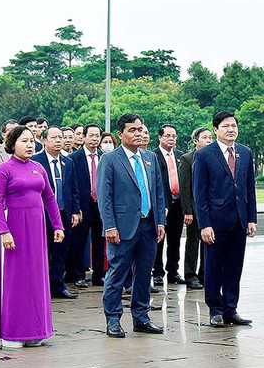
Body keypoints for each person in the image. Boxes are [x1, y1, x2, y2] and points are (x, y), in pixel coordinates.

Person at [0, 126, 65, 349]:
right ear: (12, 144)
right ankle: (12, 333)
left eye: (32, 141)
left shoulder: (38, 168)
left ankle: (36, 330)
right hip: (14, 228)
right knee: (15, 280)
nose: (30, 145)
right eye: (24, 141)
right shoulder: (4, 170)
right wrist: (4, 231)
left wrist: (58, 226)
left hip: (37, 229)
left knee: (36, 278)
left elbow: (50, 199)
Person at [97, 113, 167, 338]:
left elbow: (157, 192)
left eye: (140, 129)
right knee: (117, 273)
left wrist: (161, 222)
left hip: (149, 225)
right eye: (132, 130)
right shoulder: (110, 159)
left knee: (144, 273)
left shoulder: (150, 158)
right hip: (122, 226)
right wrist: (109, 226)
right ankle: (113, 319)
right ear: (120, 134)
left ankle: (141, 317)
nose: (138, 134)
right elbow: (104, 195)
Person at [193, 111, 256, 328]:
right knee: (213, 267)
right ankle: (215, 309)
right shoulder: (204, 155)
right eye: (226, 126)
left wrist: (251, 218)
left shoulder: (245, 153)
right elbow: (199, 193)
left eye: (234, 126)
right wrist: (205, 224)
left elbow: (250, 188)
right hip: (215, 222)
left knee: (234, 266)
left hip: (239, 220)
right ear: (216, 129)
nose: (231, 129)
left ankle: (231, 308)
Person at [32, 126, 81, 299]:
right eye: (54, 138)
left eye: (60, 137)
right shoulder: (35, 161)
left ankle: (58, 285)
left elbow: (74, 188)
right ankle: (40, 287)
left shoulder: (68, 162)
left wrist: (75, 210)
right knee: (43, 252)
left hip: (63, 213)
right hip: (42, 214)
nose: (59, 141)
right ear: (44, 141)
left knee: (61, 251)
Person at [68, 123, 104, 287]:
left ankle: (99, 275)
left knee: (100, 241)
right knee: (79, 241)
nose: (94, 139)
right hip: (83, 205)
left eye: (97, 136)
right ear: (84, 137)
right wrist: (76, 208)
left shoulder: (104, 157)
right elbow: (72, 186)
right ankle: (78, 275)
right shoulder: (74, 158)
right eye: (91, 135)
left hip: (100, 205)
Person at [178, 127, 211, 290]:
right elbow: (184, 188)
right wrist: (188, 211)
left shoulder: (214, 157)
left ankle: (205, 274)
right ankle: (190, 275)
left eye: (210, 137)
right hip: (195, 209)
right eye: (205, 137)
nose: (209, 140)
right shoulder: (187, 159)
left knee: (209, 243)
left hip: (211, 209)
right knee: (193, 243)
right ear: (195, 141)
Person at [153, 124, 185, 286]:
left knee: (175, 239)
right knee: (159, 238)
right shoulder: (153, 156)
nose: (171, 139)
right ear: (160, 137)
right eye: (168, 136)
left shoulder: (181, 156)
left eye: (174, 136)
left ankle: (173, 271)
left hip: (178, 204)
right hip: (162, 205)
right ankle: (157, 272)